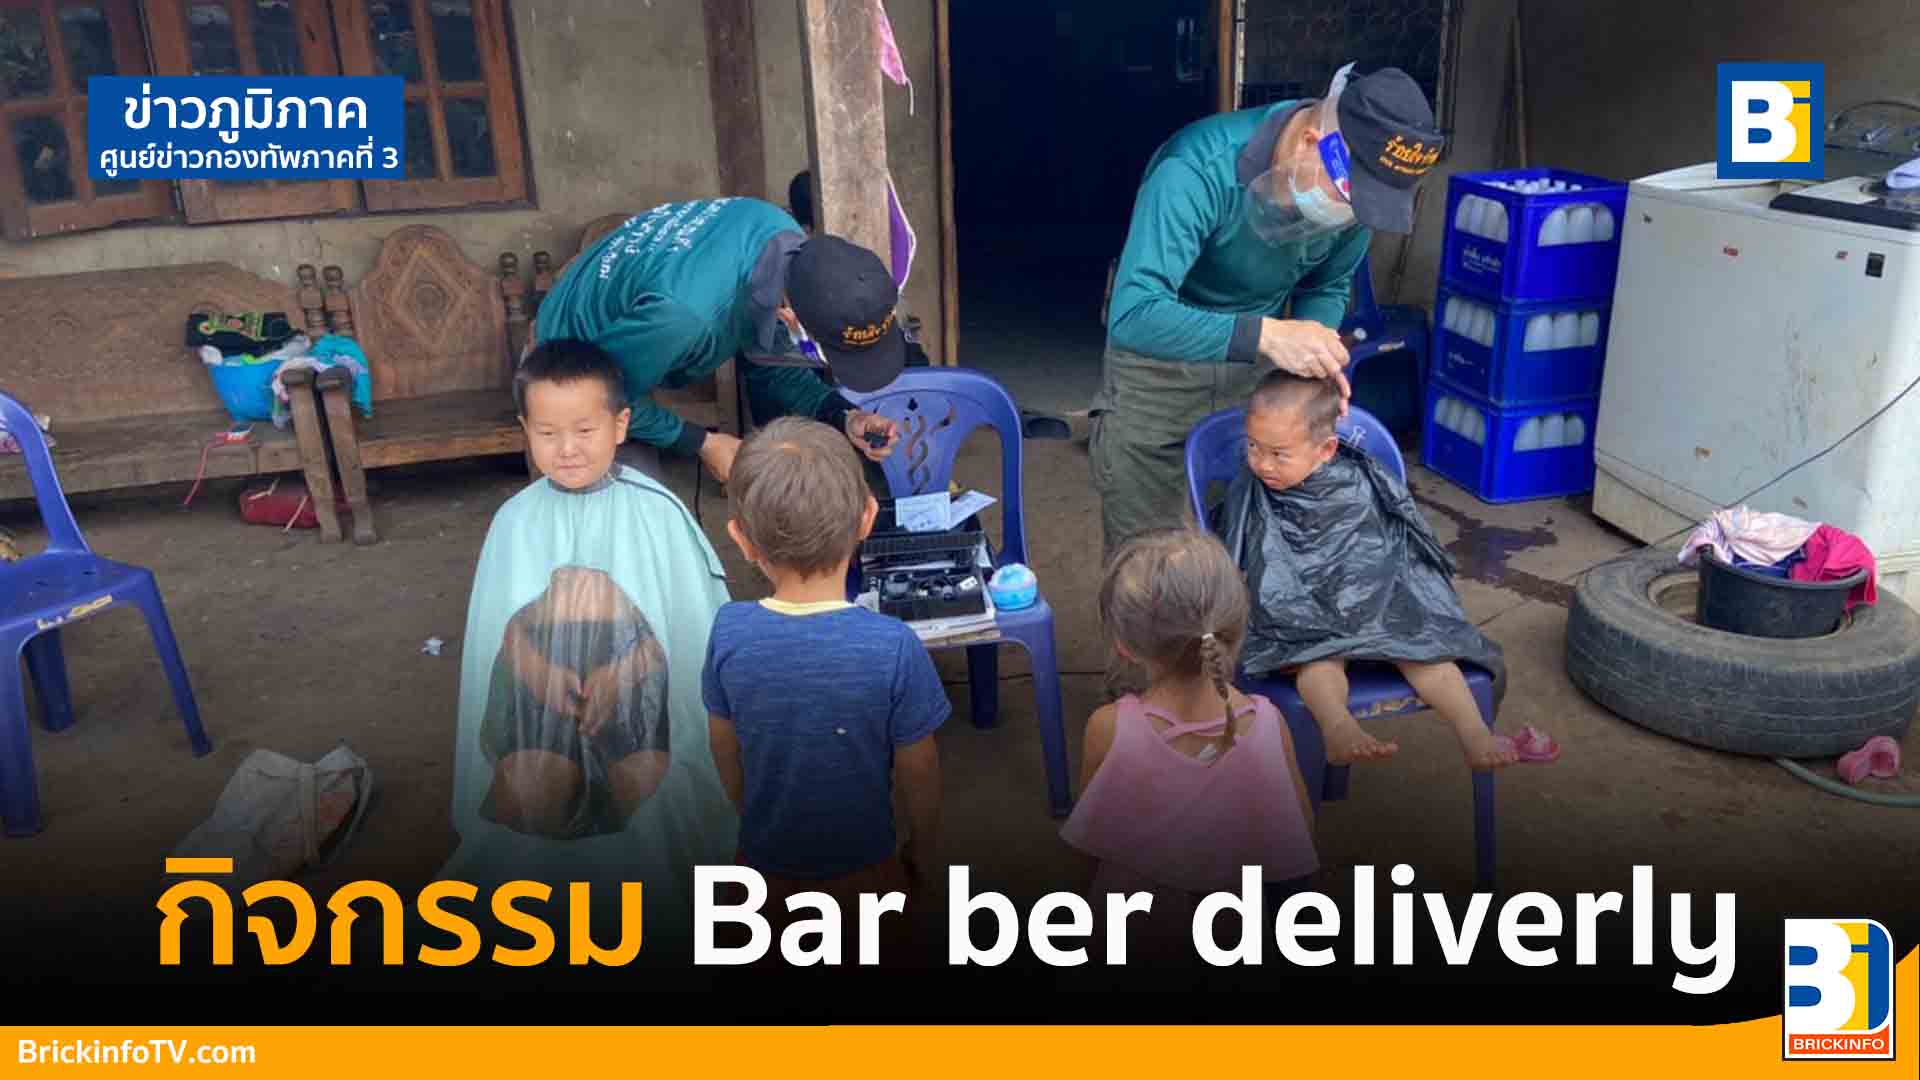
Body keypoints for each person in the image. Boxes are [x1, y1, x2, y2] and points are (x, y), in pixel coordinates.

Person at [442, 338, 737, 959]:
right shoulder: (514, 522)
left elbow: (686, 636)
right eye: (547, 433)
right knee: (530, 796)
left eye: (584, 429)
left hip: (640, 710)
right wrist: (539, 673)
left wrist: (624, 674)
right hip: (536, 706)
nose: (568, 448)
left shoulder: (658, 514)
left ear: (620, 424)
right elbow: (501, 633)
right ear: (524, 429)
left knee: (648, 796)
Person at [1091, 64, 1447, 561]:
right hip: (1160, 362)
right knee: (1148, 562)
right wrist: (1270, 337)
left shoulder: (1354, 195)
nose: (1354, 214)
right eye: (1351, 195)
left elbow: (1328, 284)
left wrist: (1313, 361)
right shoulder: (1196, 169)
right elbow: (1135, 315)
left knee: (1246, 546)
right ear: (1311, 141)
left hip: (1259, 362)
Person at [703, 417, 949, 919]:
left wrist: (748, 814)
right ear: (868, 517)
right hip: (867, 871)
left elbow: (723, 747)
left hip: (760, 870)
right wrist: (922, 847)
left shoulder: (728, 631)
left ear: (741, 539)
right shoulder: (894, 646)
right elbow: (919, 770)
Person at [1219, 370, 1518, 770]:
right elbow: (1242, 553)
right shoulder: (1251, 487)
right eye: (1253, 446)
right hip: (1304, 620)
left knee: (1425, 655)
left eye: (1278, 454)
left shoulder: (1358, 482)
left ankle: (1474, 733)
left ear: (1326, 450)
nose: (1262, 463)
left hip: (1381, 606)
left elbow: (1390, 551)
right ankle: (1339, 728)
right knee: (1318, 662)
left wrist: (1369, 601)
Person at [1060, 527, 1318, 958]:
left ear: (1125, 646)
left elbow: (1089, 843)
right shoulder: (1268, 725)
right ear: (1234, 624)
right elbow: (1298, 832)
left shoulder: (1108, 728)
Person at [532, 197, 907, 485]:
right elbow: (602, 398)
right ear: (792, 317)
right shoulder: (685, 315)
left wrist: (846, 416)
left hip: (637, 324)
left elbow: (776, 370)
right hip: (568, 359)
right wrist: (704, 443)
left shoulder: (783, 243)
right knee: (633, 515)